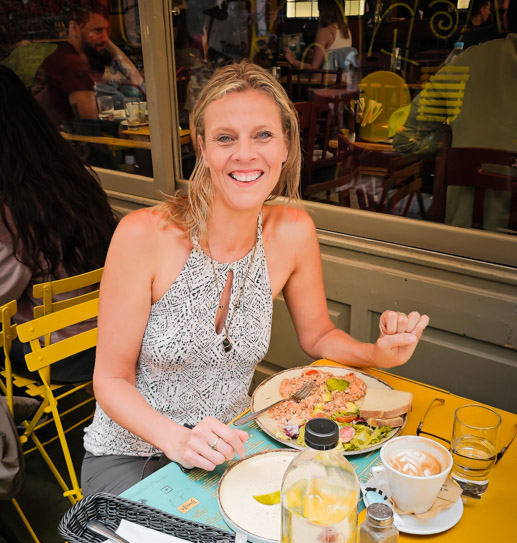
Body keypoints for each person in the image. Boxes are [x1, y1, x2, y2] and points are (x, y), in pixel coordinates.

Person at [81, 60, 429, 496]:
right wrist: (177, 440)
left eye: (262, 135)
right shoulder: (143, 235)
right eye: (226, 138)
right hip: (134, 456)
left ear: (285, 145)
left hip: (235, 446)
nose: (245, 154)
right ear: (203, 149)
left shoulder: (293, 232)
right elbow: (110, 380)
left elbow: (318, 335)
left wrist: (376, 353)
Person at [0, 66, 118, 382]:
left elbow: (3, 294)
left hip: (58, 354)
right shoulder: (71, 176)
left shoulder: (13, 207)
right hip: (110, 339)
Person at [393, 0, 517, 231]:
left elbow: (404, 138)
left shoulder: (465, 61)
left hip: (463, 233)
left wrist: (447, 144)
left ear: (507, 20)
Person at [32, 3, 143, 126]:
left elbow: (136, 81)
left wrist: (104, 42)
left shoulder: (85, 58)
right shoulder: (71, 64)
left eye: (106, 30)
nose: (106, 37)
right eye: (97, 30)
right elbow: (91, 130)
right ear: (75, 28)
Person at [283, 0, 356, 72]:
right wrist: (317, 54)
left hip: (326, 81)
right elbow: (336, 57)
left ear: (323, 10)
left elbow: (314, 67)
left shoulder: (324, 32)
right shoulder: (346, 30)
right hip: (343, 81)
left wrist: (292, 60)